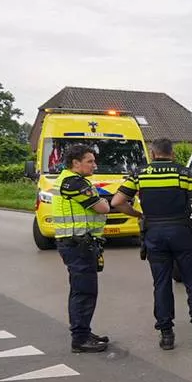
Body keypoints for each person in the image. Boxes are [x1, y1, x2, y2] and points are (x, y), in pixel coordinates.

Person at [111, 138, 192, 350]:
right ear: (172, 154)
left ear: (152, 154)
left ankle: (166, 335)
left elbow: (117, 202)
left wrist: (138, 214)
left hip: (154, 233)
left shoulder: (139, 174)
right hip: (181, 232)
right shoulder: (183, 173)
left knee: (161, 284)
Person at [54, 143, 139, 353]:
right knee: (83, 291)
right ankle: (80, 339)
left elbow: (101, 203)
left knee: (84, 290)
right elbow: (103, 207)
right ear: (76, 163)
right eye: (90, 161)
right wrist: (104, 201)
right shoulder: (73, 182)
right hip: (77, 244)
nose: (94, 165)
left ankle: (83, 331)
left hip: (80, 243)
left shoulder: (77, 181)